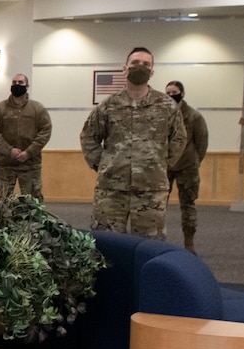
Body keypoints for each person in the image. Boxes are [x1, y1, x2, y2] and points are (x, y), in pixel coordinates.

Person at [80, 46, 187, 239]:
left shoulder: (166, 106)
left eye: (146, 64)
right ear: (125, 69)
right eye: (135, 63)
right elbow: (89, 136)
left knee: (150, 246)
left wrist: (161, 164)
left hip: (151, 190)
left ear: (152, 72)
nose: (140, 67)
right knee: (107, 245)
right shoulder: (109, 105)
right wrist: (103, 164)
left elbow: (179, 138)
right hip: (111, 190)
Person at [0, 73, 50, 202]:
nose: (17, 85)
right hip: (4, 165)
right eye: (14, 82)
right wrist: (9, 150)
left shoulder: (37, 109)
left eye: (20, 82)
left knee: (33, 203)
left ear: (27, 86)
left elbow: (45, 132)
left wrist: (29, 152)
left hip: (30, 165)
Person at [163, 80, 209, 252]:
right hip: (165, 167)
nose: (170, 95)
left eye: (173, 92)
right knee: (158, 205)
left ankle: (189, 244)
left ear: (182, 94)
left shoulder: (193, 116)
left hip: (187, 167)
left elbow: (202, 142)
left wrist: (195, 162)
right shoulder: (162, 114)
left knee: (188, 205)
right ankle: (158, 240)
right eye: (167, 92)